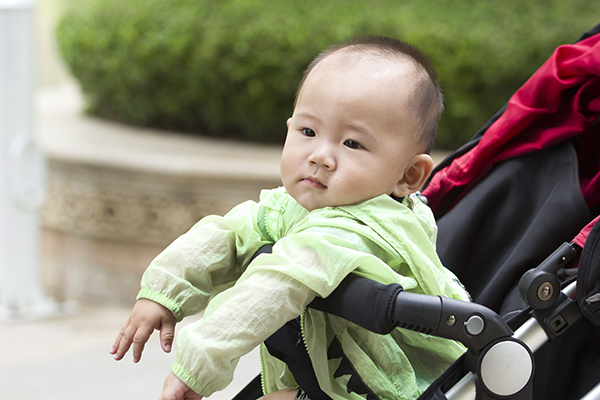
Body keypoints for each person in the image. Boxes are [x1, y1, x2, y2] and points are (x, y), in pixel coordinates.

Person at [110, 35, 470, 400]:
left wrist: (200, 362)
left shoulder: (365, 227)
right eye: (308, 132)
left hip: (398, 389)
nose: (320, 156)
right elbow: (229, 234)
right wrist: (164, 291)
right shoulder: (292, 208)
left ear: (408, 175)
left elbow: (278, 282)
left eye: (352, 144)